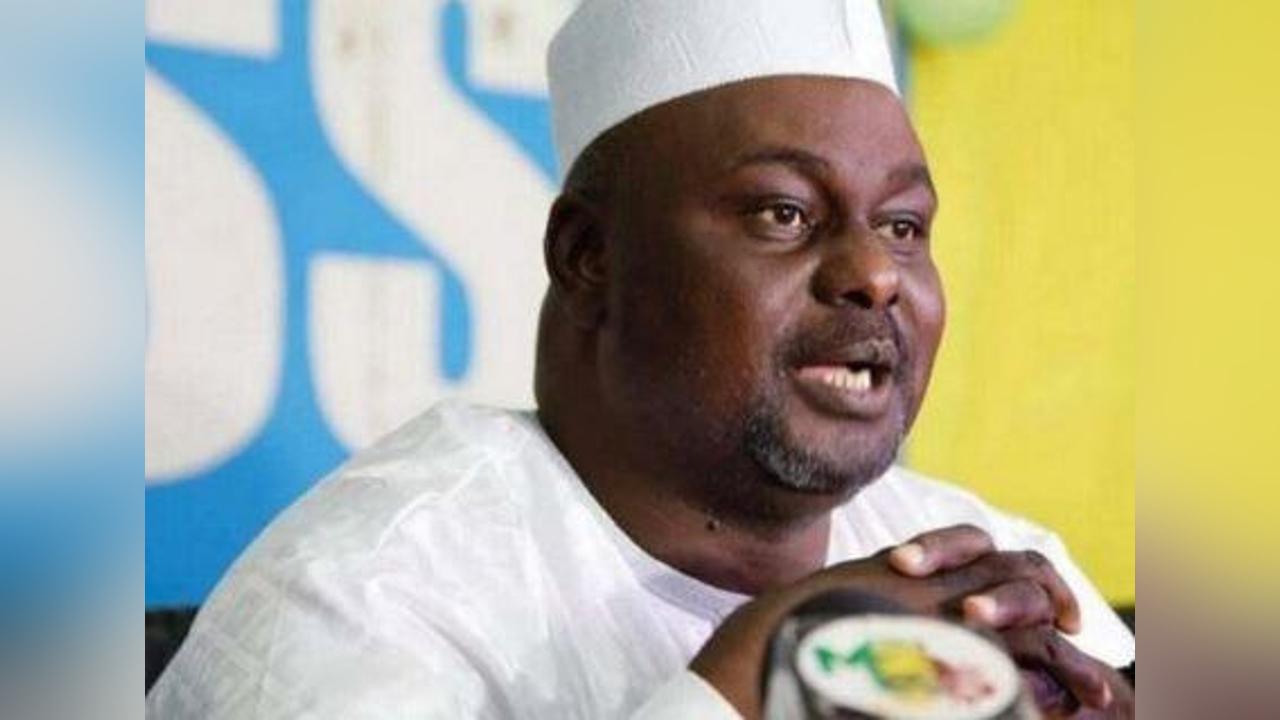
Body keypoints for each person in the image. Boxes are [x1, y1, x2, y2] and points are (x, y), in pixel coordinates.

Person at [147, 1, 1135, 717]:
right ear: (588, 256)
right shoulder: (357, 601)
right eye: (784, 213)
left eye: (904, 226)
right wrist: (744, 687)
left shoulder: (982, 565)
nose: (875, 273)